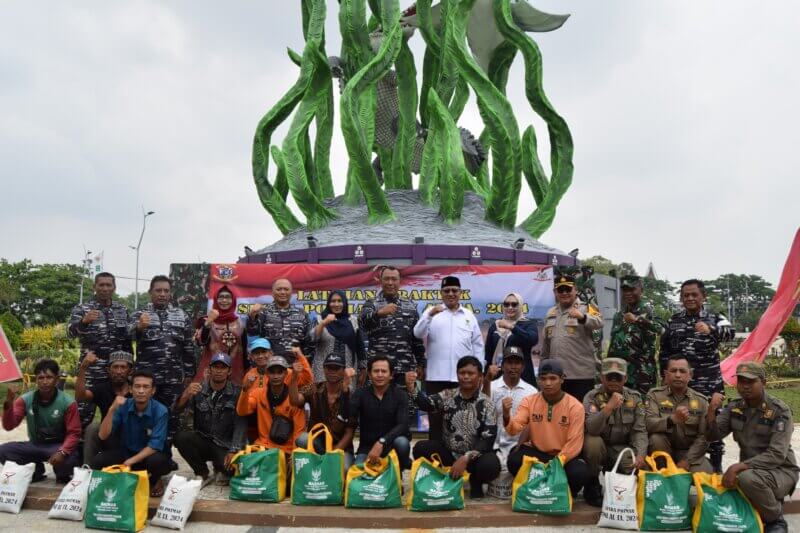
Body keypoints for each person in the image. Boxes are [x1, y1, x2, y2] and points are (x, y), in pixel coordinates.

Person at [706, 362, 798, 533]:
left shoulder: (779, 411)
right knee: (745, 478)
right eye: (741, 381)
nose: (745, 386)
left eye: (751, 382)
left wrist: (738, 467)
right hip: (753, 470)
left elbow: (777, 454)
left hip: (781, 470)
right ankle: (764, 505)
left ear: (763, 382)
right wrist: (711, 411)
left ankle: (776, 520)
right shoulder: (735, 408)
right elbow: (712, 436)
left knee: (747, 479)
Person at [660, 278, 733, 472]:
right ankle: (682, 463)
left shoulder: (717, 317)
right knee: (683, 421)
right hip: (681, 383)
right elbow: (664, 350)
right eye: (686, 295)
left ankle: (716, 468)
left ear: (703, 296)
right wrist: (664, 374)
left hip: (708, 382)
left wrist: (712, 329)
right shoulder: (673, 320)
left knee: (713, 424)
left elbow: (731, 332)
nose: (690, 298)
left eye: (694, 295)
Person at [407, 355, 501, 498]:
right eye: (462, 373)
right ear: (457, 375)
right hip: (449, 454)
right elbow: (427, 404)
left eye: (471, 373)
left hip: (475, 457)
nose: (466, 377)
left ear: (480, 376)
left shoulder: (487, 404)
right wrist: (412, 388)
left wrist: (466, 458)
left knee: (491, 465)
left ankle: (475, 481)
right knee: (420, 448)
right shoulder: (447, 395)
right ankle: (441, 479)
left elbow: (488, 440)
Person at [129, 275, 196, 458]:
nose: (162, 294)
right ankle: (144, 457)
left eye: (166, 291)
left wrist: (189, 373)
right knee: (145, 417)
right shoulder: (139, 313)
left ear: (170, 293)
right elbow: (127, 337)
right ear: (151, 292)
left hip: (173, 379)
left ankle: (163, 459)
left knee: (171, 418)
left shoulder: (181, 315)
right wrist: (139, 328)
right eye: (158, 290)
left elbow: (188, 348)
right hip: (147, 381)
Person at [413, 276, 484, 440]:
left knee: (463, 421)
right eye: (447, 291)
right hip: (436, 377)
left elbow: (478, 346)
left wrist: (478, 373)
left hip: (463, 379)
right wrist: (429, 315)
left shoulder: (469, 316)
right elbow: (418, 333)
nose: (451, 294)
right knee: (436, 420)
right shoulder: (432, 312)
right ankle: (436, 460)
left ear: (460, 293)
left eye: (454, 290)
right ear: (441, 293)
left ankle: (460, 457)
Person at [505, 360, 589, 497]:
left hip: (562, 457)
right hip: (538, 453)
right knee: (514, 460)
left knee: (579, 472)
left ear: (562, 379)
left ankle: (564, 494)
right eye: (543, 379)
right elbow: (514, 429)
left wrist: (556, 464)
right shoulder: (529, 401)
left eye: (552, 378)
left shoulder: (575, 406)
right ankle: (538, 490)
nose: (548, 383)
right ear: (538, 380)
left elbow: (574, 444)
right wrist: (506, 415)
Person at [67, 272, 132, 429]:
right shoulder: (82, 309)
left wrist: (131, 365)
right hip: (91, 368)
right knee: (83, 414)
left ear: (114, 287)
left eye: (108, 285)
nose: (105, 288)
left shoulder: (121, 309)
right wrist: (83, 322)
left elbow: (127, 339)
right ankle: (79, 451)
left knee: (117, 413)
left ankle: (110, 449)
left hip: (115, 371)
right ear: (94, 287)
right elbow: (69, 333)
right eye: (101, 285)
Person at [92, 369, 171, 497]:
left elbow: (154, 445)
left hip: (146, 458)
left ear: (153, 391)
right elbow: (102, 435)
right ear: (130, 389)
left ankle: (154, 480)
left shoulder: (161, 411)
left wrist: (130, 462)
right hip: (126, 454)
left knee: (159, 461)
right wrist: (112, 410)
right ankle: (120, 480)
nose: (141, 391)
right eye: (137, 386)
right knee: (98, 461)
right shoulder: (123, 406)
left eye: (146, 387)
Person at [0, 359, 80, 483]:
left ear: (57, 379)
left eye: (49, 377)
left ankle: (62, 474)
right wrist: (8, 406)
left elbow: (74, 433)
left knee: (70, 460)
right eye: (40, 378)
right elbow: (9, 426)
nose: (45, 382)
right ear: (36, 380)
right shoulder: (25, 400)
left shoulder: (68, 402)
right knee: (4, 451)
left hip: (58, 446)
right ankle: (36, 471)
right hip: (35, 445)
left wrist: (62, 452)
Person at [581, 358, 647, 507]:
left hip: (622, 449)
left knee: (638, 467)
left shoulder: (635, 398)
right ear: (602, 377)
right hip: (601, 448)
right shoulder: (591, 397)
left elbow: (639, 431)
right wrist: (608, 408)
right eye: (609, 377)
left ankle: (618, 478)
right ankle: (592, 483)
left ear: (625, 378)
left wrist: (640, 454)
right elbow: (591, 428)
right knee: (592, 442)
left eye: (618, 377)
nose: (613, 381)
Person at [174, 353, 247, 486]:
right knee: (180, 437)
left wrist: (234, 450)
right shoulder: (198, 390)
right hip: (204, 440)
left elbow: (240, 424)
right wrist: (186, 395)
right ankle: (202, 472)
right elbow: (177, 411)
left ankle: (220, 468)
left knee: (232, 470)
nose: (219, 371)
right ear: (210, 369)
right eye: (216, 367)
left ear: (229, 371)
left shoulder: (237, 393)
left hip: (225, 444)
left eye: (223, 367)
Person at [358, 265, 425, 388]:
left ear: (399, 282)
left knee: (405, 405)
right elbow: (361, 324)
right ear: (380, 280)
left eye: (394, 279)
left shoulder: (410, 306)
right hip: (379, 370)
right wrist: (378, 313)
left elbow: (416, 338)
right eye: (386, 279)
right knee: (376, 405)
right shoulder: (371, 303)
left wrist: (421, 363)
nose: (390, 283)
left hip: (404, 369)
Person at [645, 355, 712, 473]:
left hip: (688, 453)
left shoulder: (701, 401)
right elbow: (648, 424)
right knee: (656, 438)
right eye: (673, 371)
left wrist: (687, 460)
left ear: (690, 375)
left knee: (704, 474)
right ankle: (663, 476)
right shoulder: (655, 395)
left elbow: (704, 437)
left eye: (682, 371)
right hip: (662, 452)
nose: (677, 375)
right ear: (666, 374)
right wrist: (671, 420)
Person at [541, 274, 603, 402]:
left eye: (568, 289)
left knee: (581, 415)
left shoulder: (586, 307)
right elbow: (546, 345)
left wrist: (583, 317)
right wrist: (543, 368)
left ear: (576, 290)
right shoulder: (550, 313)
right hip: (556, 376)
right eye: (560, 290)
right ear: (555, 292)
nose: (564, 293)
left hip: (580, 375)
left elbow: (599, 322)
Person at [289, 351, 354, 470]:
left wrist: (332, 455)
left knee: (343, 468)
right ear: (324, 369)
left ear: (343, 370)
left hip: (340, 447)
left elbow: (349, 433)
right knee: (303, 439)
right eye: (329, 367)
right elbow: (295, 400)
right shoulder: (315, 388)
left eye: (337, 368)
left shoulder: (351, 395)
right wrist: (293, 378)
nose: (332, 371)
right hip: (317, 442)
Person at [349, 355, 411, 470]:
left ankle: (399, 470)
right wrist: (346, 390)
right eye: (376, 371)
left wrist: (382, 442)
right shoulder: (360, 394)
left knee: (402, 443)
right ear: (369, 374)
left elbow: (403, 425)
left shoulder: (400, 395)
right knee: (358, 474)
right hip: (367, 449)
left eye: (384, 371)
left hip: (391, 446)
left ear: (391, 375)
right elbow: (348, 415)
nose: (380, 375)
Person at [607, 275, 665, 396]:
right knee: (621, 409)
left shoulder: (649, 310)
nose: (628, 293)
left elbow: (661, 329)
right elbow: (613, 344)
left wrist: (638, 320)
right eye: (625, 290)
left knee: (642, 410)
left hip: (641, 374)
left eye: (632, 289)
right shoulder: (619, 315)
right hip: (620, 372)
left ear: (641, 291)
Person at [236, 354, 305, 455]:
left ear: (286, 373)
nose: (276, 376)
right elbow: (242, 411)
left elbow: (299, 430)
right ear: (267, 374)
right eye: (272, 372)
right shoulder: (258, 393)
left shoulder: (293, 398)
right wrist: (245, 390)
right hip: (264, 446)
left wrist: (294, 455)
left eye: (279, 372)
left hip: (287, 449)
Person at [75, 350, 133, 464]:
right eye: (115, 367)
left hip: (132, 438)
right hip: (108, 437)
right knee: (93, 428)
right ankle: (88, 470)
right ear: (108, 370)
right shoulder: (102, 388)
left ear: (130, 371)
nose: (119, 371)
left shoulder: (137, 390)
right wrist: (83, 368)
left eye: (123, 367)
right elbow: (80, 396)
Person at [485, 346, 537, 468]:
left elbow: (532, 424)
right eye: (509, 362)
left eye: (517, 363)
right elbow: (484, 408)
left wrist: (521, 445)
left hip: (518, 445)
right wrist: (486, 380)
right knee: (486, 467)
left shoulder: (532, 391)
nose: (513, 366)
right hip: (494, 444)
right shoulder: (491, 387)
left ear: (523, 367)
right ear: (502, 366)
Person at [246, 278, 314, 363]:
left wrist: (305, 362)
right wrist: (252, 316)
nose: (282, 292)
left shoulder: (302, 314)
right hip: (271, 368)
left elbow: (308, 341)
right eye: (279, 289)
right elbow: (252, 332)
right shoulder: (264, 312)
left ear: (291, 292)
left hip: (295, 367)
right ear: (272, 292)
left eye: (286, 289)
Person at [310, 290, 365, 387]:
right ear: (328, 303)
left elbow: (360, 347)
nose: (336, 304)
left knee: (347, 397)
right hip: (323, 371)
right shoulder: (320, 319)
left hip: (348, 370)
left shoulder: (353, 321)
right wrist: (324, 322)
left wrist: (363, 370)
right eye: (333, 301)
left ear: (345, 303)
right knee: (323, 399)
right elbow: (312, 338)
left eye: (340, 301)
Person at [484, 292, 538, 387]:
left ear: (520, 306)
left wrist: (512, 327)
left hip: (522, 376)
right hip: (498, 375)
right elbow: (488, 353)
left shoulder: (528, 324)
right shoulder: (496, 324)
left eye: (514, 304)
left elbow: (532, 340)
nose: (510, 307)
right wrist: (485, 375)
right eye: (506, 304)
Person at [194, 285, 246, 384]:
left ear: (233, 300)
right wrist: (208, 323)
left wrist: (247, 370)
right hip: (212, 371)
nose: (224, 300)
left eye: (228, 297)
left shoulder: (240, 323)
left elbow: (243, 350)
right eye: (221, 297)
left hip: (235, 372)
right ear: (216, 299)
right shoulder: (207, 320)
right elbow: (201, 342)